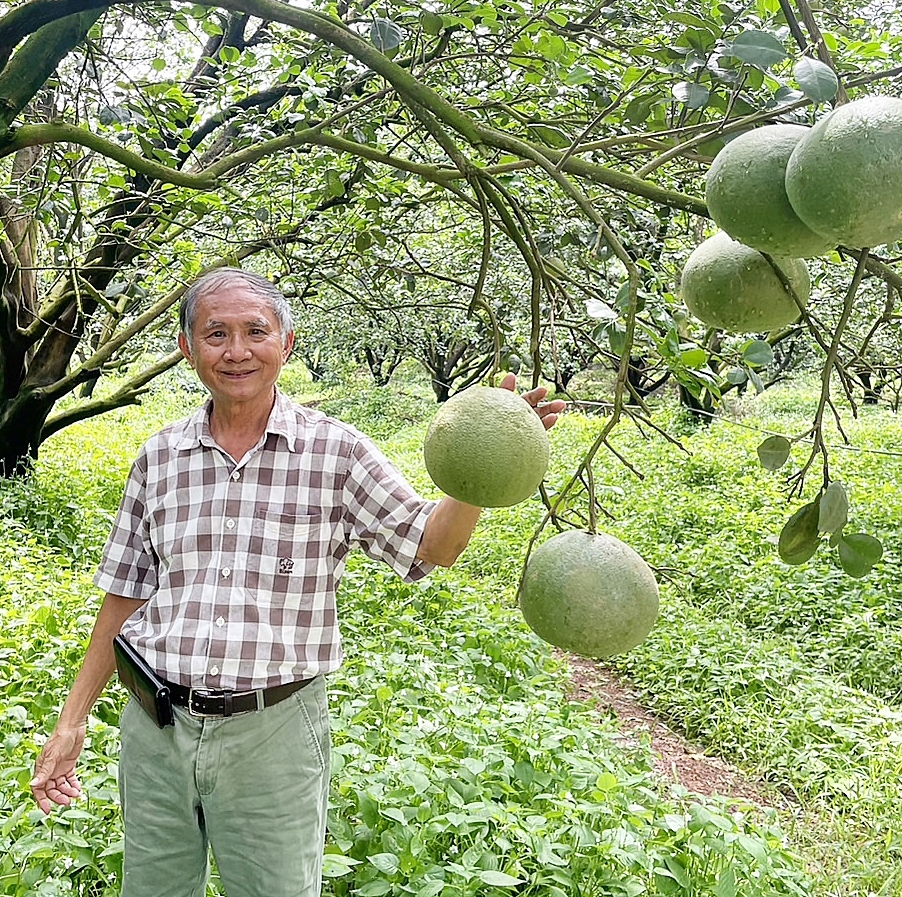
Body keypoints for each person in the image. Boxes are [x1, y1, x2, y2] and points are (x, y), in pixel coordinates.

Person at [29, 266, 565, 897]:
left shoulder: (334, 452)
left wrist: (483, 462)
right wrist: (72, 720)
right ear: (186, 348)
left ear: (286, 341)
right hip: (155, 730)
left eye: (255, 331)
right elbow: (124, 591)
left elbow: (433, 546)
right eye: (216, 333)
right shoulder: (160, 456)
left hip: (273, 734)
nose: (237, 351)